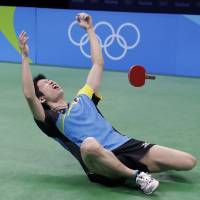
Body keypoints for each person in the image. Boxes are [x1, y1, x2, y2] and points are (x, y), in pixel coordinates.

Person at [19, 13, 197, 195]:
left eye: (50, 80)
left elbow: (97, 64)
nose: (51, 82)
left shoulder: (83, 98)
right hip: (98, 162)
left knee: (188, 161)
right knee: (89, 144)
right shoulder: (51, 120)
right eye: (45, 84)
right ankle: (136, 177)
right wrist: (25, 57)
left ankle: (137, 169)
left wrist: (89, 29)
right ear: (42, 98)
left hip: (126, 146)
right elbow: (28, 95)